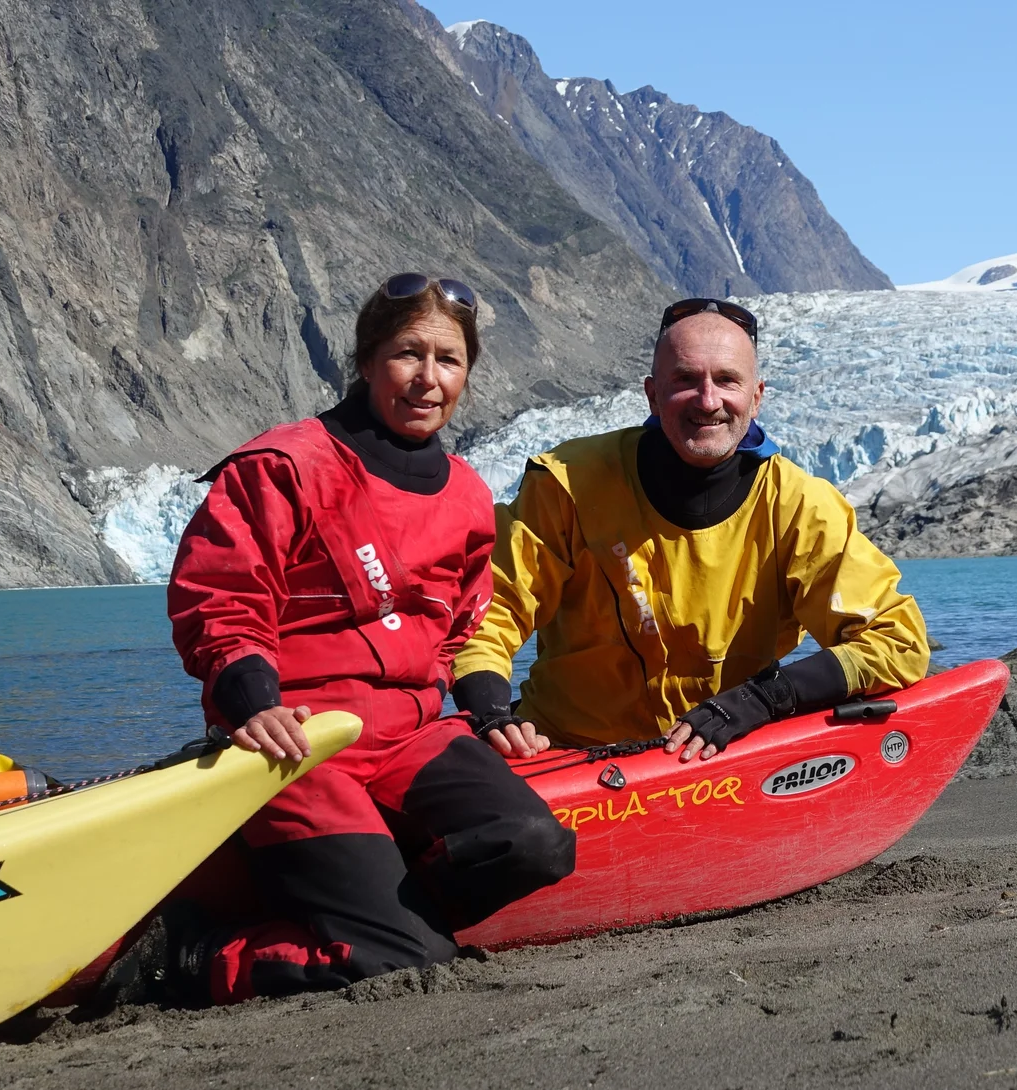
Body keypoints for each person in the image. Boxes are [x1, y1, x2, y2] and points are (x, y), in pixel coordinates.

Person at [121, 274, 574, 1006]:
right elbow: (221, 597)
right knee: (403, 959)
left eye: (450, 360)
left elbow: (462, 630)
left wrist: (490, 713)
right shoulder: (285, 467)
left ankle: (365, 903)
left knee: (537, 844)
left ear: (468, 374)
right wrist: (249, 700)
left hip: (411, 735)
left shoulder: (463, 493)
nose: (429, 379)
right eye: (407, 354)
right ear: (366, 362)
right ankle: (190, 955)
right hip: (299, 743)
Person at [450, 298, 930, 756]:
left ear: (756, 397)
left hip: (722, 756)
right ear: (652, 394)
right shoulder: (568, 484)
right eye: (685, 379)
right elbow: (488, 611)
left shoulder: (800, 507)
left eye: (727, 380)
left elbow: (897, 640)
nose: (708, 400)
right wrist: (491, 714)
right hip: (566, 753)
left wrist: (766, 698)